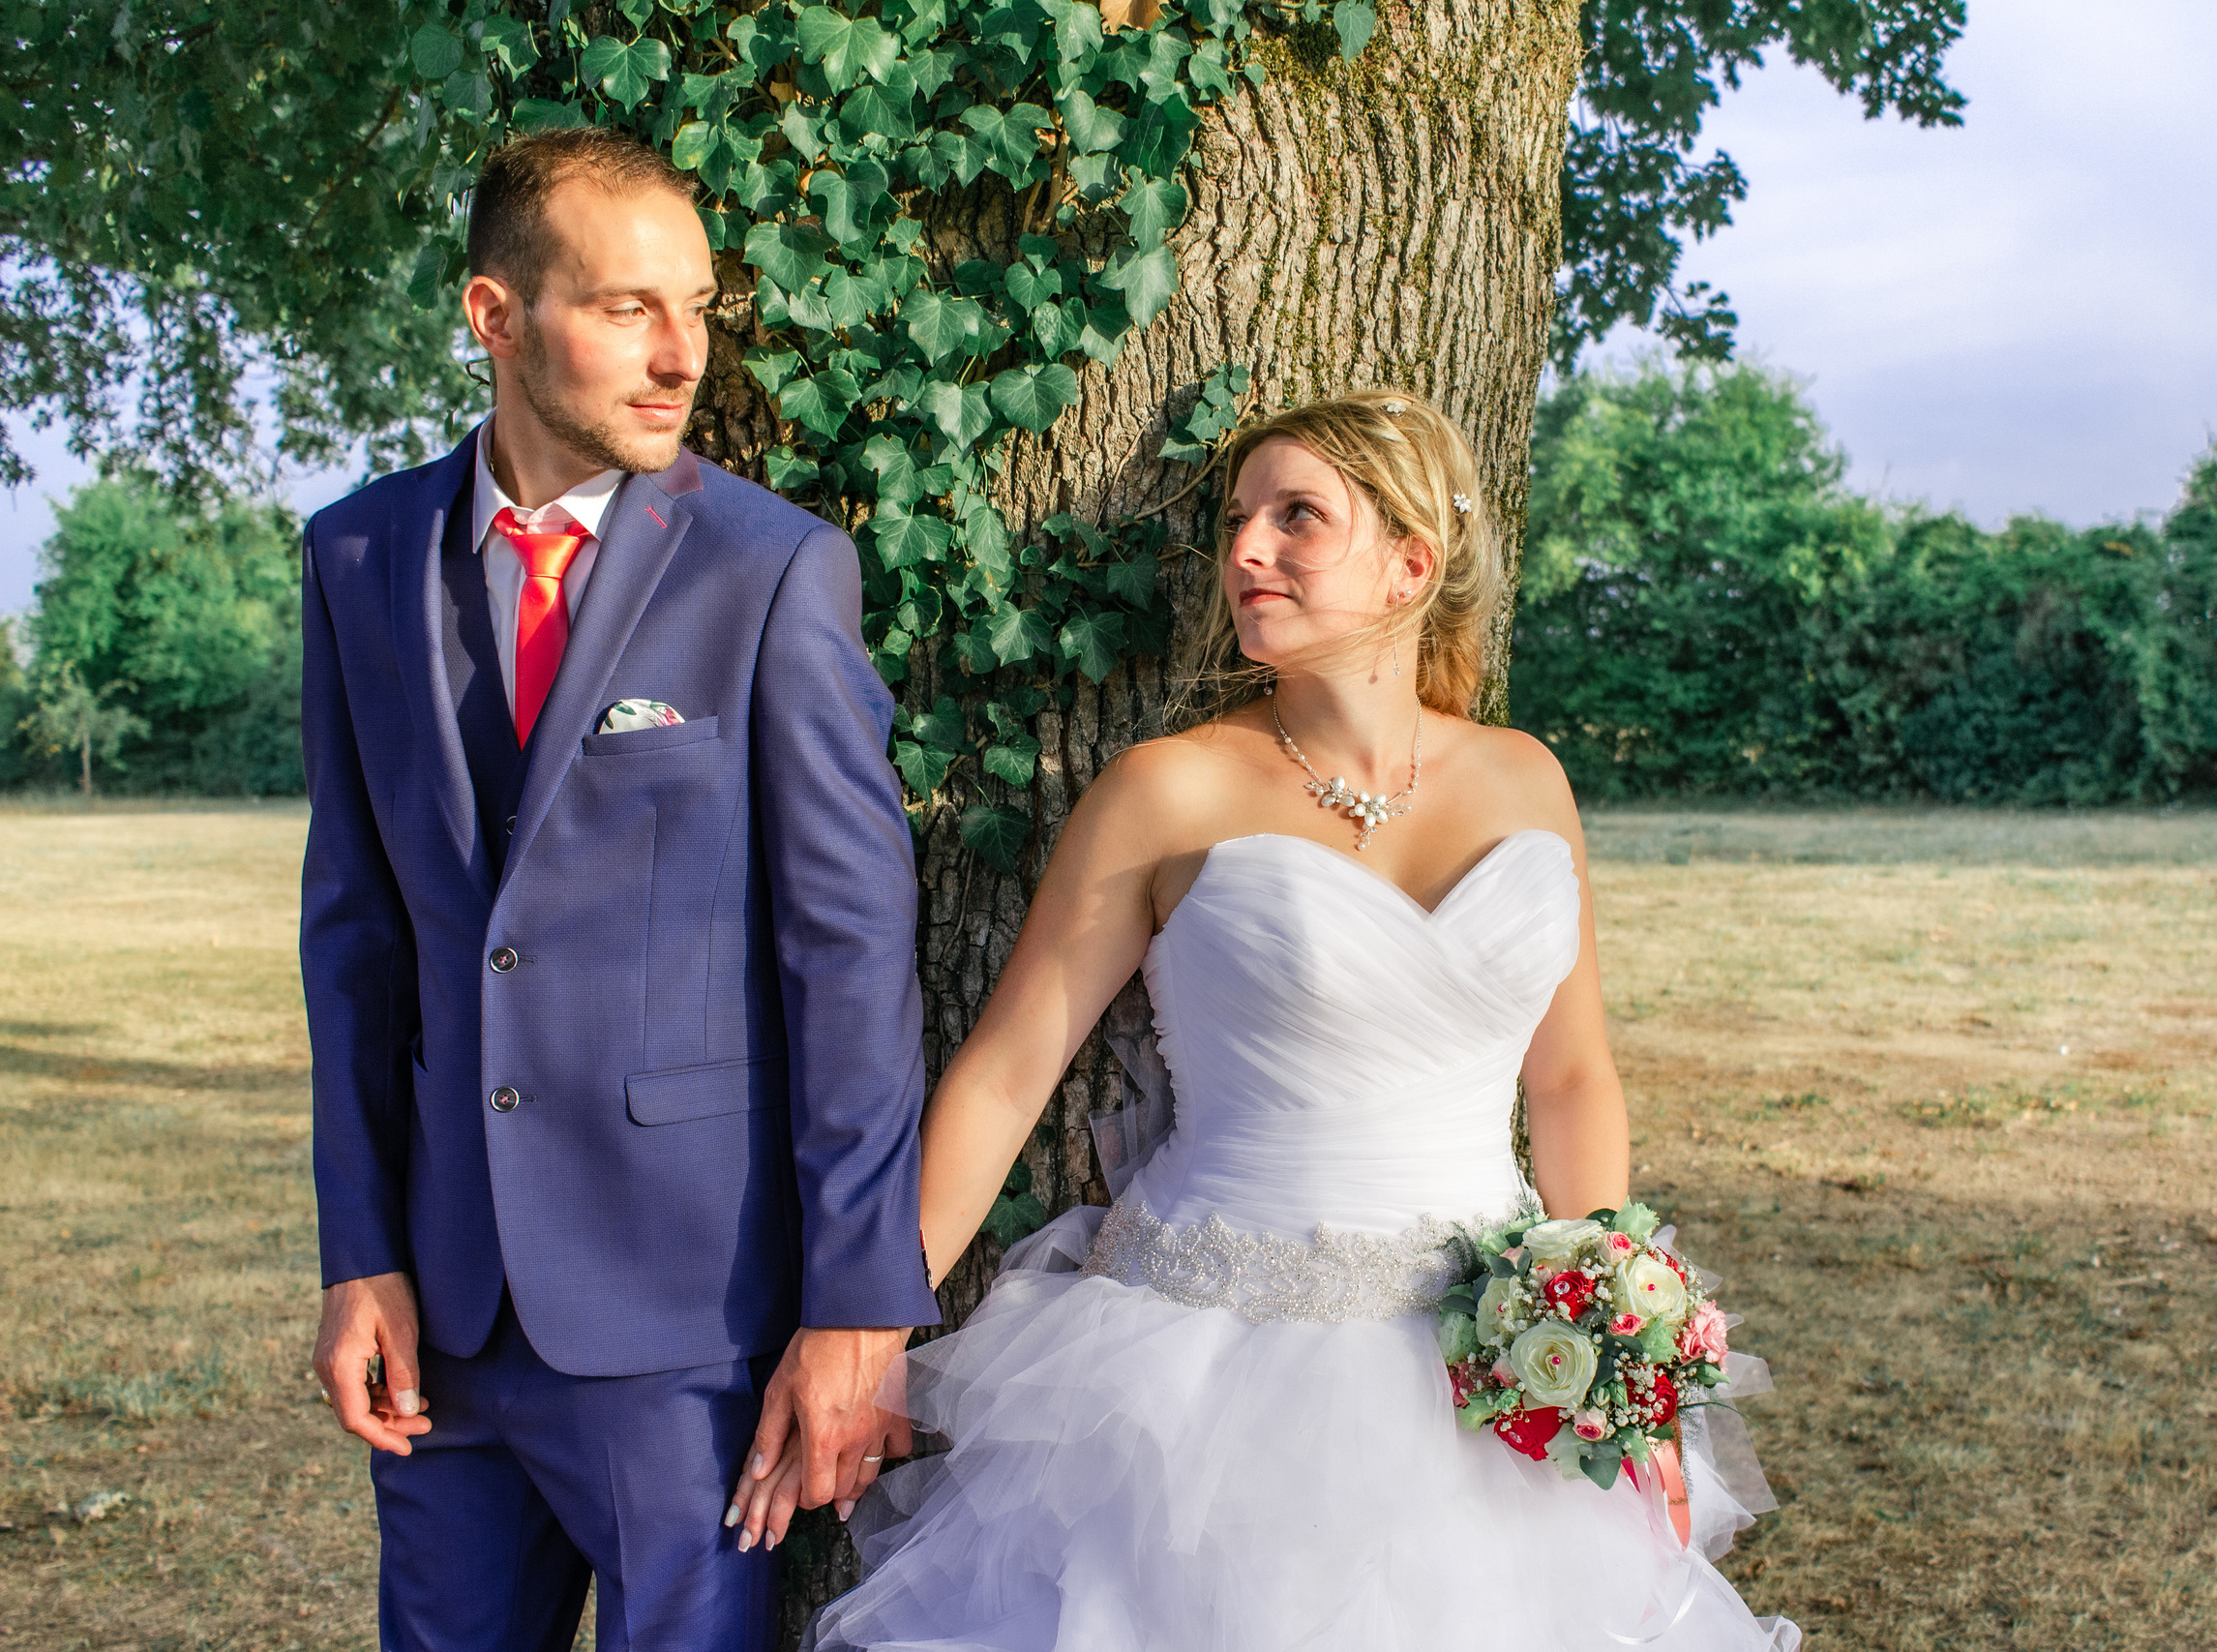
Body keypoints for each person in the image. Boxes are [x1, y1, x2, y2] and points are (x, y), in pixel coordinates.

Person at [741, 391, 1798, 1649]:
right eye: (1239, 520)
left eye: (1298, 517)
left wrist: (1609, 1341)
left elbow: (1571, 1081)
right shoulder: (1168, 791)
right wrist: (860, 1323)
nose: (1246, 550)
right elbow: (1009, 1074)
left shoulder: (1526, 777)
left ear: (1412, 563)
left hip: (1494, 1365)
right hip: (1209, 1371)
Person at [299, 128, 939, 1650]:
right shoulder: (358, 556)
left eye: (697, 308)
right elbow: (356, 937)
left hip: (682, 1323)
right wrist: (360, 1253)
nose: (681, 356)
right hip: (445, 1314)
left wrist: (859, 1305)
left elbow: (850, 952)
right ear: (496, 316)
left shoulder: (768, 570)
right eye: (627, 308)